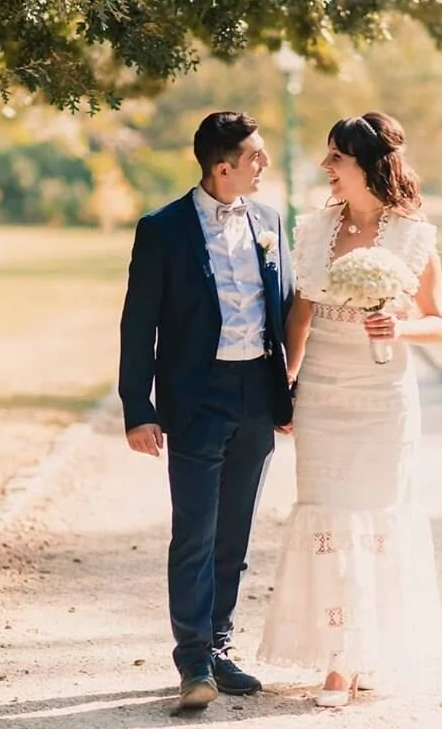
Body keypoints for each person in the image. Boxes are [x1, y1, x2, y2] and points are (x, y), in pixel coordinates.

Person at [258, 112, 442, 706]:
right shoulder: (315, 230)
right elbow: (300, 316)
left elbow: (440, 322)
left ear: (368, 165)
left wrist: (399, 327)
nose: (326, 167)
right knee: (328, 520)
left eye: (336, 158)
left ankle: (359, 655)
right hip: (323, 395)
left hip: (383, 400)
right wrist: (286, 385)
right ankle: (338, 657)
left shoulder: (414, 236)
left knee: (376, 520)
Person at [119, 111, 294, 710]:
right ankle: (192, 659)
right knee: (195, 531)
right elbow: (138, 324)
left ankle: (218, 646)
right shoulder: (162, 229)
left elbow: (285, 310)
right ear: (223, 168)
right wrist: (137, 408)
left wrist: (290, 393)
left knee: (234, 534)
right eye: (255, 156)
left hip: (256, 395)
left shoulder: (270, 221)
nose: (264, 164)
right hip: (197, 398)